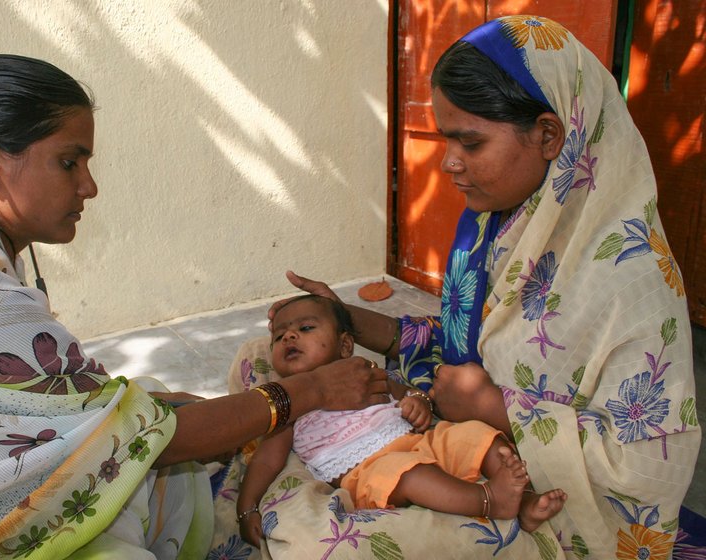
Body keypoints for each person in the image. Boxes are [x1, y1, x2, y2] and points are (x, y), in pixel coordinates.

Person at [0, 55, 391, 559]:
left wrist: (211, 409)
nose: (88, 187)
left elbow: (71, 411)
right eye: (69, 162)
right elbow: (143, 440)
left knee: (154, 401)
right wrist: (310, 390)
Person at [269, 15, 700, 559]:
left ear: (548, 135)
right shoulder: (501, 226)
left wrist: (498, 409)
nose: (448, 162)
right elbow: (467, 341)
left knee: (320, 546)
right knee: (263, 361)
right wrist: (343, 321)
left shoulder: (627, 275)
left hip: (538, 499)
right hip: (454, 439)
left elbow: (650, 467)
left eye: (469, 143)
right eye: (448, 138)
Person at [237, 295, 566, 548]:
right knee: (409, 475)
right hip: (367, 469)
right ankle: (489, 500)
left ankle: (522, 501)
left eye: (305, 329)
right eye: (279, 337)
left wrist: (418, 403)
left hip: (421, 441)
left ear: (345, 345)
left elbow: (409, 392)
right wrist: (248, 506)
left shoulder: (364, 371)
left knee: (477, 435)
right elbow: (267, 459)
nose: (290, 337)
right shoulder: (289, 400)